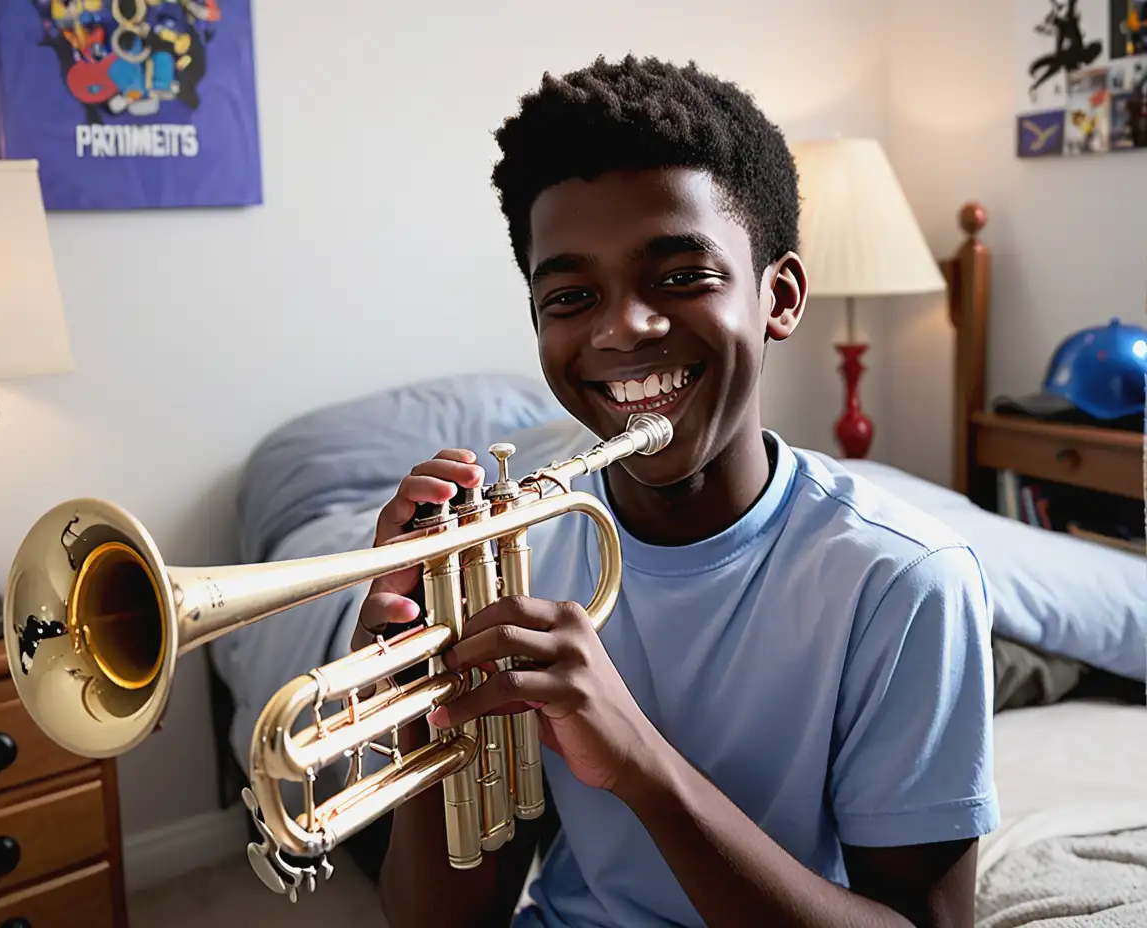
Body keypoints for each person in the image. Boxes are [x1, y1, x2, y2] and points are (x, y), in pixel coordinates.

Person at [351, 54, 999, 928]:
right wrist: (418, 711)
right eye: (573, 295)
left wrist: (637, 763)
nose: (622, 327)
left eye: (681, 275)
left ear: (781, 296)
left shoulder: (905, 579)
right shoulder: (514, 558)